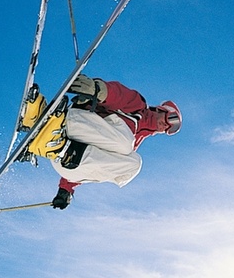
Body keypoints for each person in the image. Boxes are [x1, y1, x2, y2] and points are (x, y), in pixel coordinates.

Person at [46, 75, 181, 209]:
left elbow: (99, 163)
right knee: (126, 145)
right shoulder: (138, 107)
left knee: (133, 164)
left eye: (172, 129)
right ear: (161, 109)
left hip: (61, 158)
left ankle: (63, 151)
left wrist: (65, 189)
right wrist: (98, 90)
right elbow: (118, 95)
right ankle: (56, 127)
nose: (167, 126)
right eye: (172, 119)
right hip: (74, 123)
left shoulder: (133, 142)